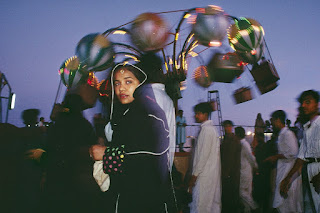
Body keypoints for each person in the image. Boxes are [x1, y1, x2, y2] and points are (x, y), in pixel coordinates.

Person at [90, 55, 176, 213]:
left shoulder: (149, 114)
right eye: (117, 83)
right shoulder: (126, 114)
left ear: (141, 84)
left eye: (128, 82)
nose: (121, 88)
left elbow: (147, 157)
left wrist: (106, 154)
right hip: (129, 194)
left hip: (145, 198)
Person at [44, 94, 104, 213]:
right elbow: (90, 146)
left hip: (56, 174)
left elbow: (49, 147)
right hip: (76, 176)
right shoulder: (84, 124)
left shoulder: (58, 124)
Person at [280, 90, 320, 212]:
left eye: (308, 102)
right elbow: (301, 157)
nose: (303, 106)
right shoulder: (307, 128)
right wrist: (288, 178)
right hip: (308, 174)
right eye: (302, 103)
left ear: (317, 104)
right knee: (309, 207)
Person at [264, 110, 302, 212]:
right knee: (283, 204)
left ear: (278, 120)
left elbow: (293, 153)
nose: (271, 124)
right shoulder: (282, 134)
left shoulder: (288, 134)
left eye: (272, 121)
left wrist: (275, 157)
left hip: (289, 172)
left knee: (289, 204)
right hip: (283, 171)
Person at [188, 102, 221, 213]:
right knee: (208, 205)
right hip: (209, 174)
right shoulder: (210, 129)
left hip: (204, 175)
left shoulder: (207, 130)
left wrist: (194, 175)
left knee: (200, 205)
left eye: (198, 114)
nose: (196, 116)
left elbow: (203, 156)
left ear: (205, 114)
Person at [235, 126, 258, 213]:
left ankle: (254, 206)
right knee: (247, 193)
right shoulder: (241, 144)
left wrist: (255, 166)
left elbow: (251, 157)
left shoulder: (244, 144)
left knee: (241, 192)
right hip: (245, 171)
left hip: (244, 172)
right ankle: (247, 210)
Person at [221, 120, 242, 213]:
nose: (227, 128)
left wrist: (226, 173)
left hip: (231, 174)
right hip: (231, 173)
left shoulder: (232, 140)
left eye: (228, 126)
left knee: (230, 197)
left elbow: (230, 158)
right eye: (226, 126)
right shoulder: (228, 139)